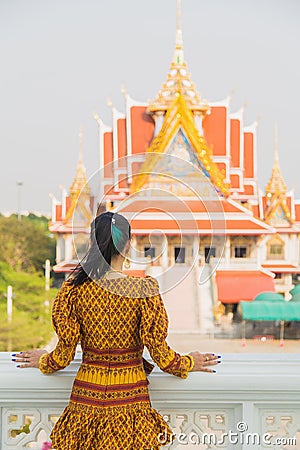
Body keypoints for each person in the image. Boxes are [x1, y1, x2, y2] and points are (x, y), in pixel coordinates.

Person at [12, 212, 221, 449]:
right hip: (131, 405)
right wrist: (189, 362)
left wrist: (43, 360)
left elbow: (63, 356)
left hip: (86, 402)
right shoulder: (144, 290)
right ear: (129, 244)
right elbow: (162, 356)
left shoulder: (73, 291)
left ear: (92, 243)